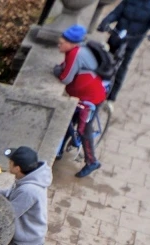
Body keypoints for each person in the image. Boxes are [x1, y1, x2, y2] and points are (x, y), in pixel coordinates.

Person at [54, 25, 106, 178]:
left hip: (90, 99)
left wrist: (57, 72)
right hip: (84, 95)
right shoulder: (76, 50)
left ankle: (92, 162)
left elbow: (66, 78)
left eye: (61, 42)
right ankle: (59, 150)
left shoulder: (75, 54)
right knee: (68, 120)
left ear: (71, 43)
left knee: (83, 130)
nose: (59, 44)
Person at [98, 0, 150, 102]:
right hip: (117, 35)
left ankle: (111, 98)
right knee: (105, 60)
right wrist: (106, 21)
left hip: (132, 40)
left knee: (122, 67)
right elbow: (117, 12)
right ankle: (95, 87)